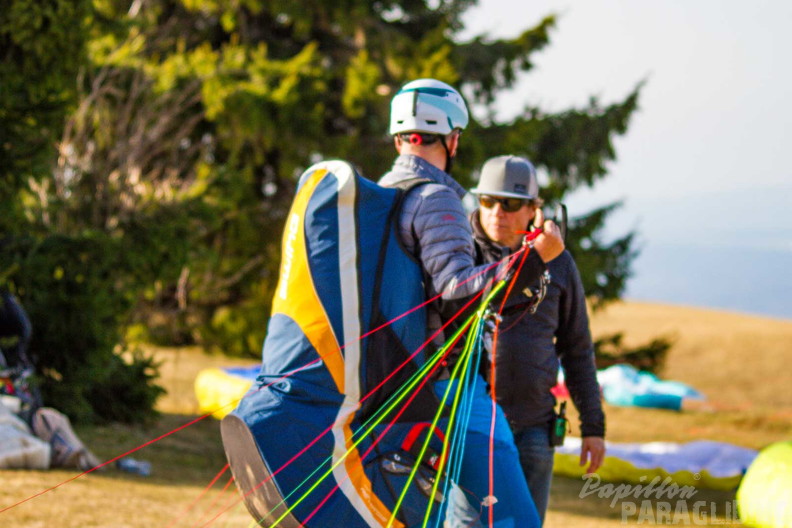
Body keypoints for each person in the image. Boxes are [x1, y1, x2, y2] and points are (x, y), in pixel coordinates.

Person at [379, 80, 566, 527]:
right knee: (515, 520)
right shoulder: (438, 197)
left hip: (391, 381)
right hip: (450, 390)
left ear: (397, 136)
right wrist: (534, 257)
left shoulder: (381, 191)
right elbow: (457, 288)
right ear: (452, 138)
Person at [468, 155, 606, 524]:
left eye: (511, 203)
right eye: (487, 200)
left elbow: (577, 348)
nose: (497, 211)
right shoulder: (460, 255)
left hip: (533, 431)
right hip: (468, 427)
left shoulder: (559, 263)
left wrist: (593, 427)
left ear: (534, 209)